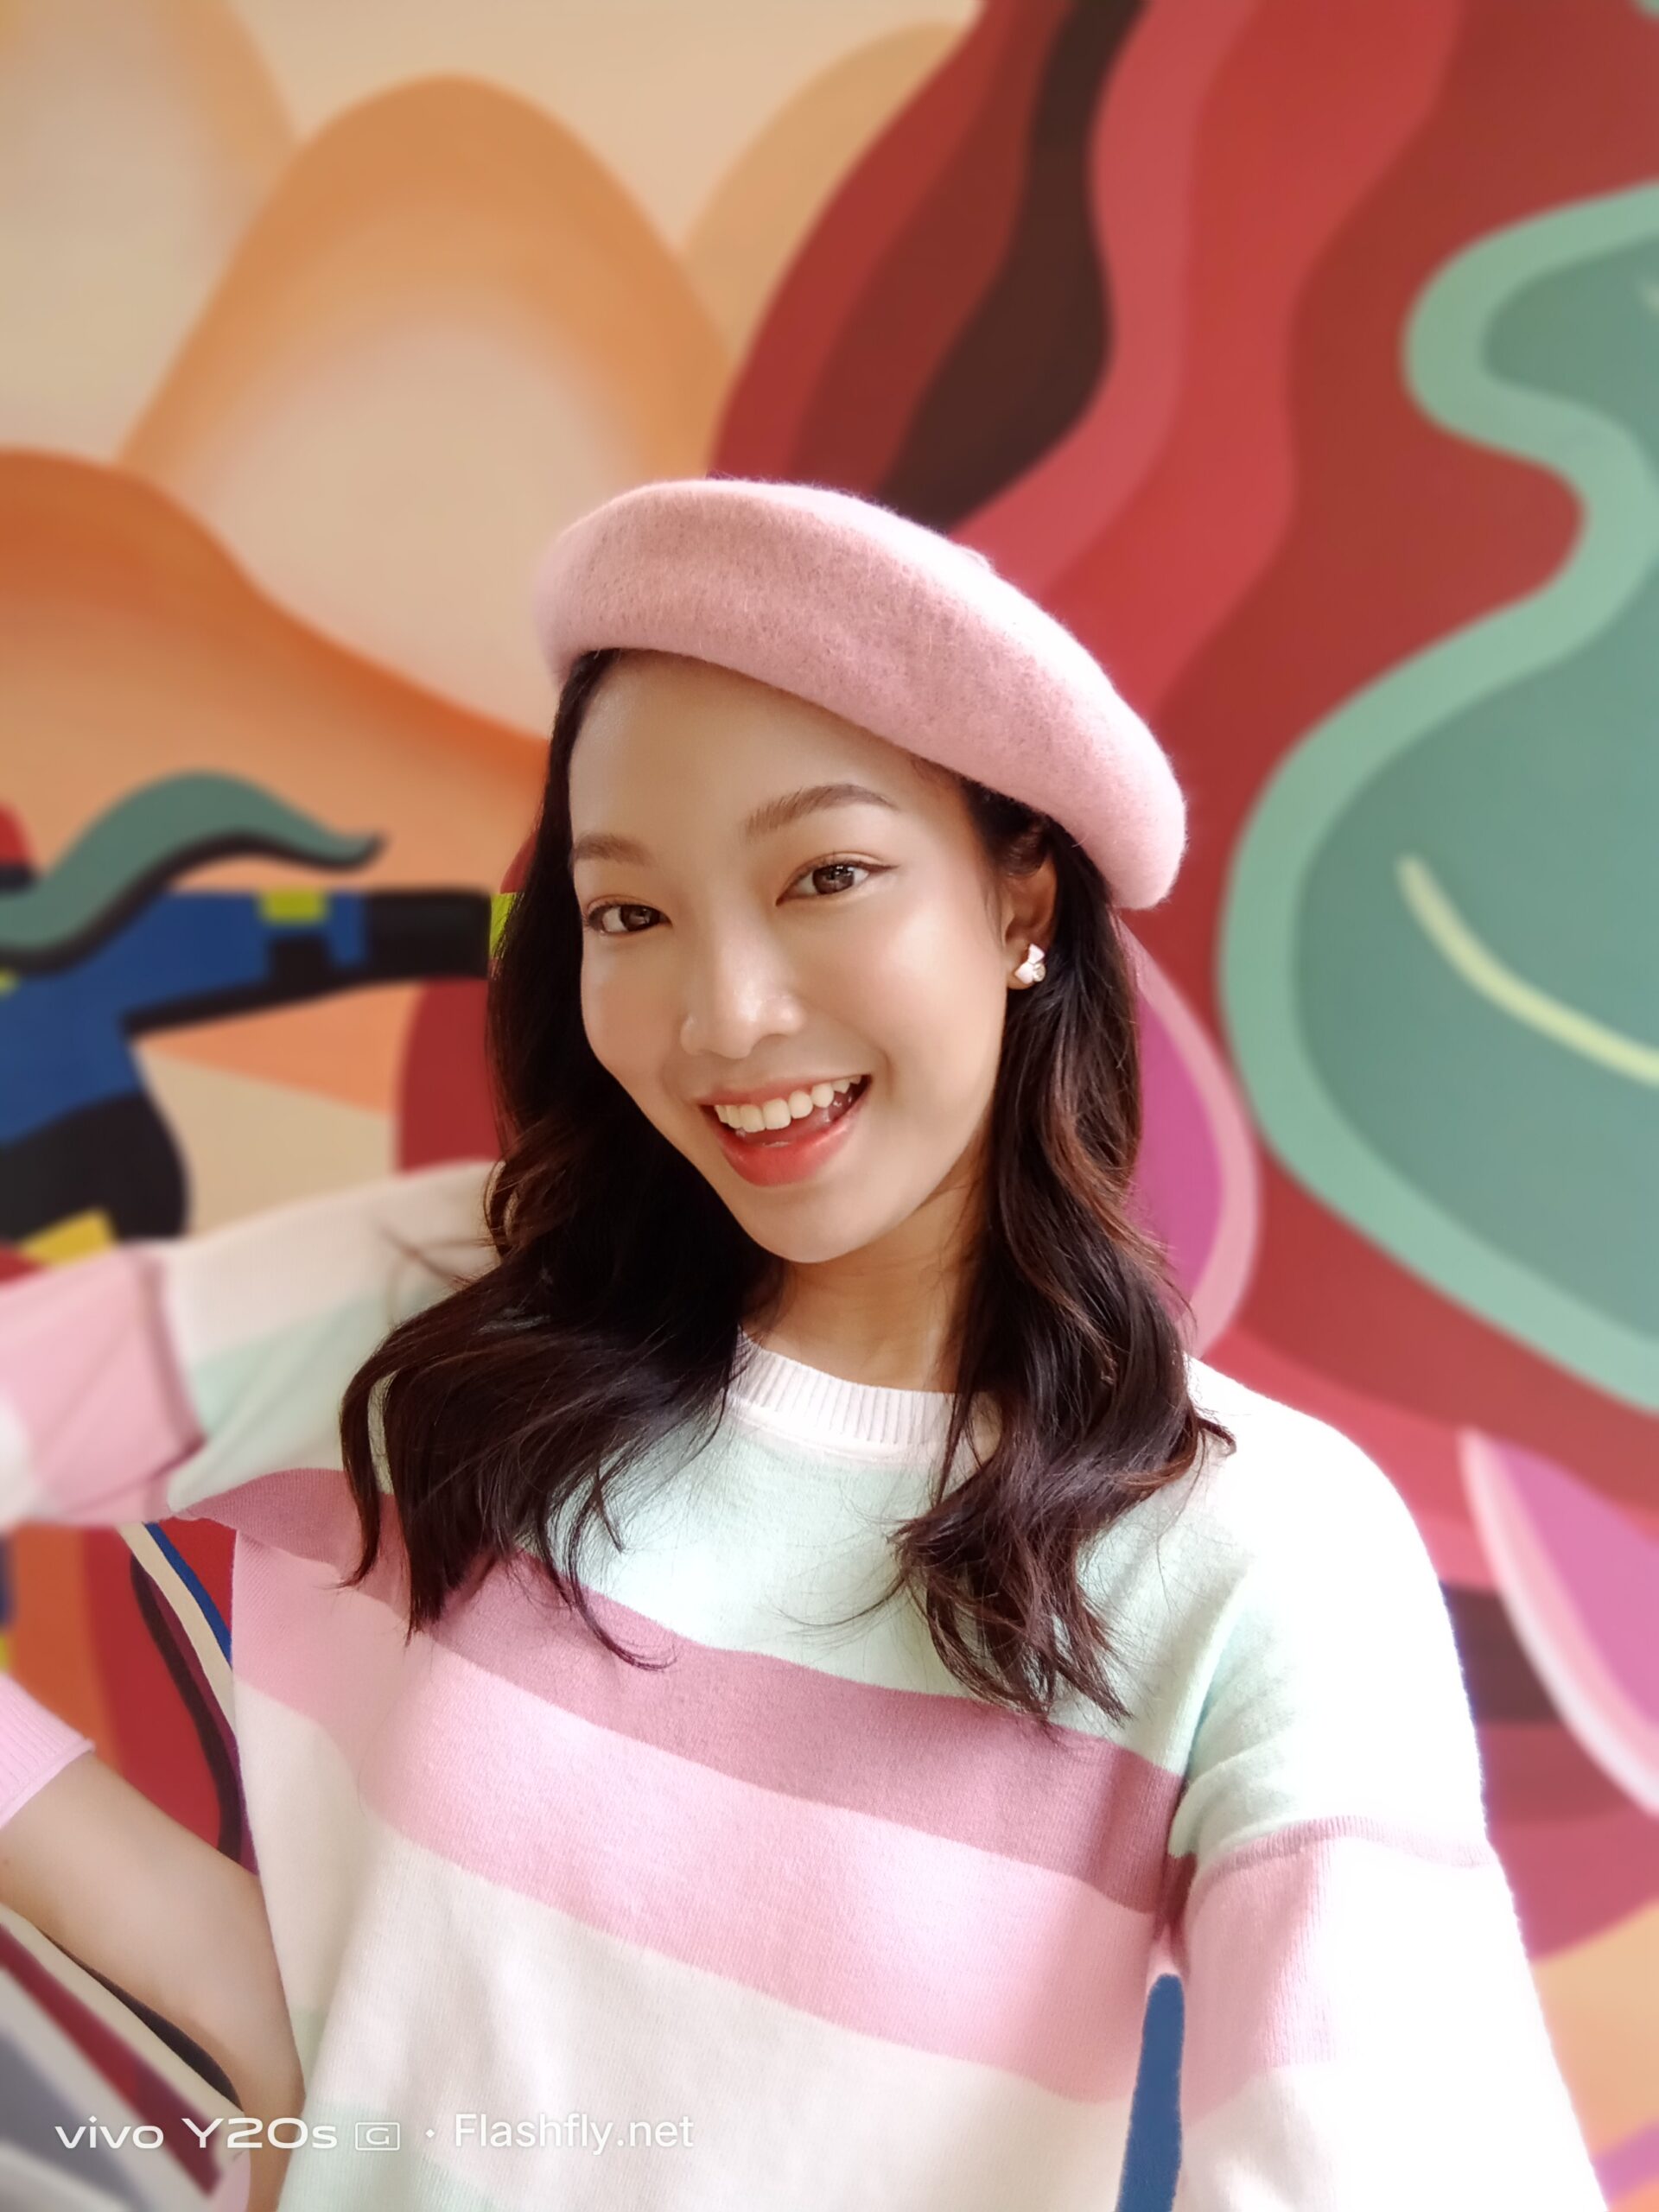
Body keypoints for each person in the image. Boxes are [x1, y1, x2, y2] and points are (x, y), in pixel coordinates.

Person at [0, 479, 1606, 2211]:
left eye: (826, 875)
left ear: (1022, 900)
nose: (726, 1015)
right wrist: (212, 1961)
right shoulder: (437, 1312)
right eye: (631, 912)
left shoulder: (1256, 1551)